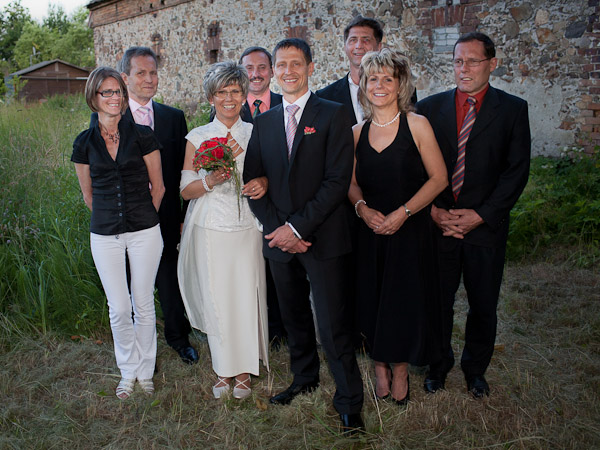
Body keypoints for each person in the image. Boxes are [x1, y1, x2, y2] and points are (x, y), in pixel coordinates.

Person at [243, 38, 364, 434]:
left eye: (296, 63)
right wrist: (277, 230)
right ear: (273, 71)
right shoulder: (263, 122)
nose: (288, 71)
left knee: (332, 324)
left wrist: (297, 228)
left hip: (322, 238)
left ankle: (349, 401)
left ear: (311, 68)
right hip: (279, 241)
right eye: (281, 64)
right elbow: (254, 181)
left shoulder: (333, 114)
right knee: (294, 317)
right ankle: (304, 378)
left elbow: (336, 182)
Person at [417, 32, 531, 398]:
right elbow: (414, 165)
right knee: (437, 301)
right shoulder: (429, 108)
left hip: (485, 227)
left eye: (472, 61)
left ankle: (475, 370)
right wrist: (432, 211)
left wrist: (480, 215)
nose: (463, 69)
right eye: (457, 61)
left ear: (492, 64)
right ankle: (437, 366)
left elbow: (516, 171)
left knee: (483, 304)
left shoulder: (512, 110)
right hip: (439, 224)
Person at [348, 48, 447, 404]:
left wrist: (403, 213)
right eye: (372, 78)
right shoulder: (356, 132)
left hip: (410, 232)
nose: (379, 85)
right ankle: (380, 369)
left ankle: (401, 369)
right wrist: (362, 209)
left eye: (387, 79)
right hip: (369, 232)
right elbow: (350, 182)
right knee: (372, 300)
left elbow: (439, 179)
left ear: (400, 84)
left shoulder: (417, 125)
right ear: (363, 85)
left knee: (403, 301)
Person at [177, 61, 269, 400]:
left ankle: (243, 370)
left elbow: (272, 174)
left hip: (247, 227)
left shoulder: (258, 132)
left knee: (244, 295)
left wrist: (263, 182)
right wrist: (211, 180)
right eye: (221, 92)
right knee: (217, 296)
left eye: (235, 91)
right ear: (211, 98)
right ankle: (223, 368)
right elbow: (185, 190)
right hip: (211, 226)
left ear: (244, 95)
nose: (228, 98)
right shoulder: (198, 137)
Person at [72, 67, 165, 399]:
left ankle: (146, 371)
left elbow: (159, 187)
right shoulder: (83, 143)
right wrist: (112, 219)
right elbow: (89, 196)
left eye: (118, 92)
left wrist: (145, 218)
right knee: (119, 307)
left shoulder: (143, 135)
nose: (115, 98)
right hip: (105, 234)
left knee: (143, 302)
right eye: (107, 92)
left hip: (145, 232)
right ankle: (128, 371)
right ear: (93, 97)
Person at [118, 47, 198, 365]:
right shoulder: (109, 117)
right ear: (125, 78)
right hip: (126, 218)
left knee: (169, 280)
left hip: (165, 215)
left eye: (153, 72)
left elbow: (183, 173)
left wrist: (182, 216)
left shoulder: (173, 118)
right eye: (141, 73)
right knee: (129, 282)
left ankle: (179, 338)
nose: (149, 79)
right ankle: (134, 344)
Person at [238, 46, 286, 349]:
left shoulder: (286, 105)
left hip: (280, 200)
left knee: (277, 269)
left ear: (271, 71)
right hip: (243, 202)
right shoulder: (229, 106)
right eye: (249, 68)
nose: (255, 74)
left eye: (262, 67)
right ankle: (252, 326)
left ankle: (280, 329)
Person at [317, 15, 416, 125]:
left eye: (366, 40)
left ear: (379, 46)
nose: (359, 46)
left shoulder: (402, 90)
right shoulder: (325, 97)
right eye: (353, 40)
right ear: (345, 47)